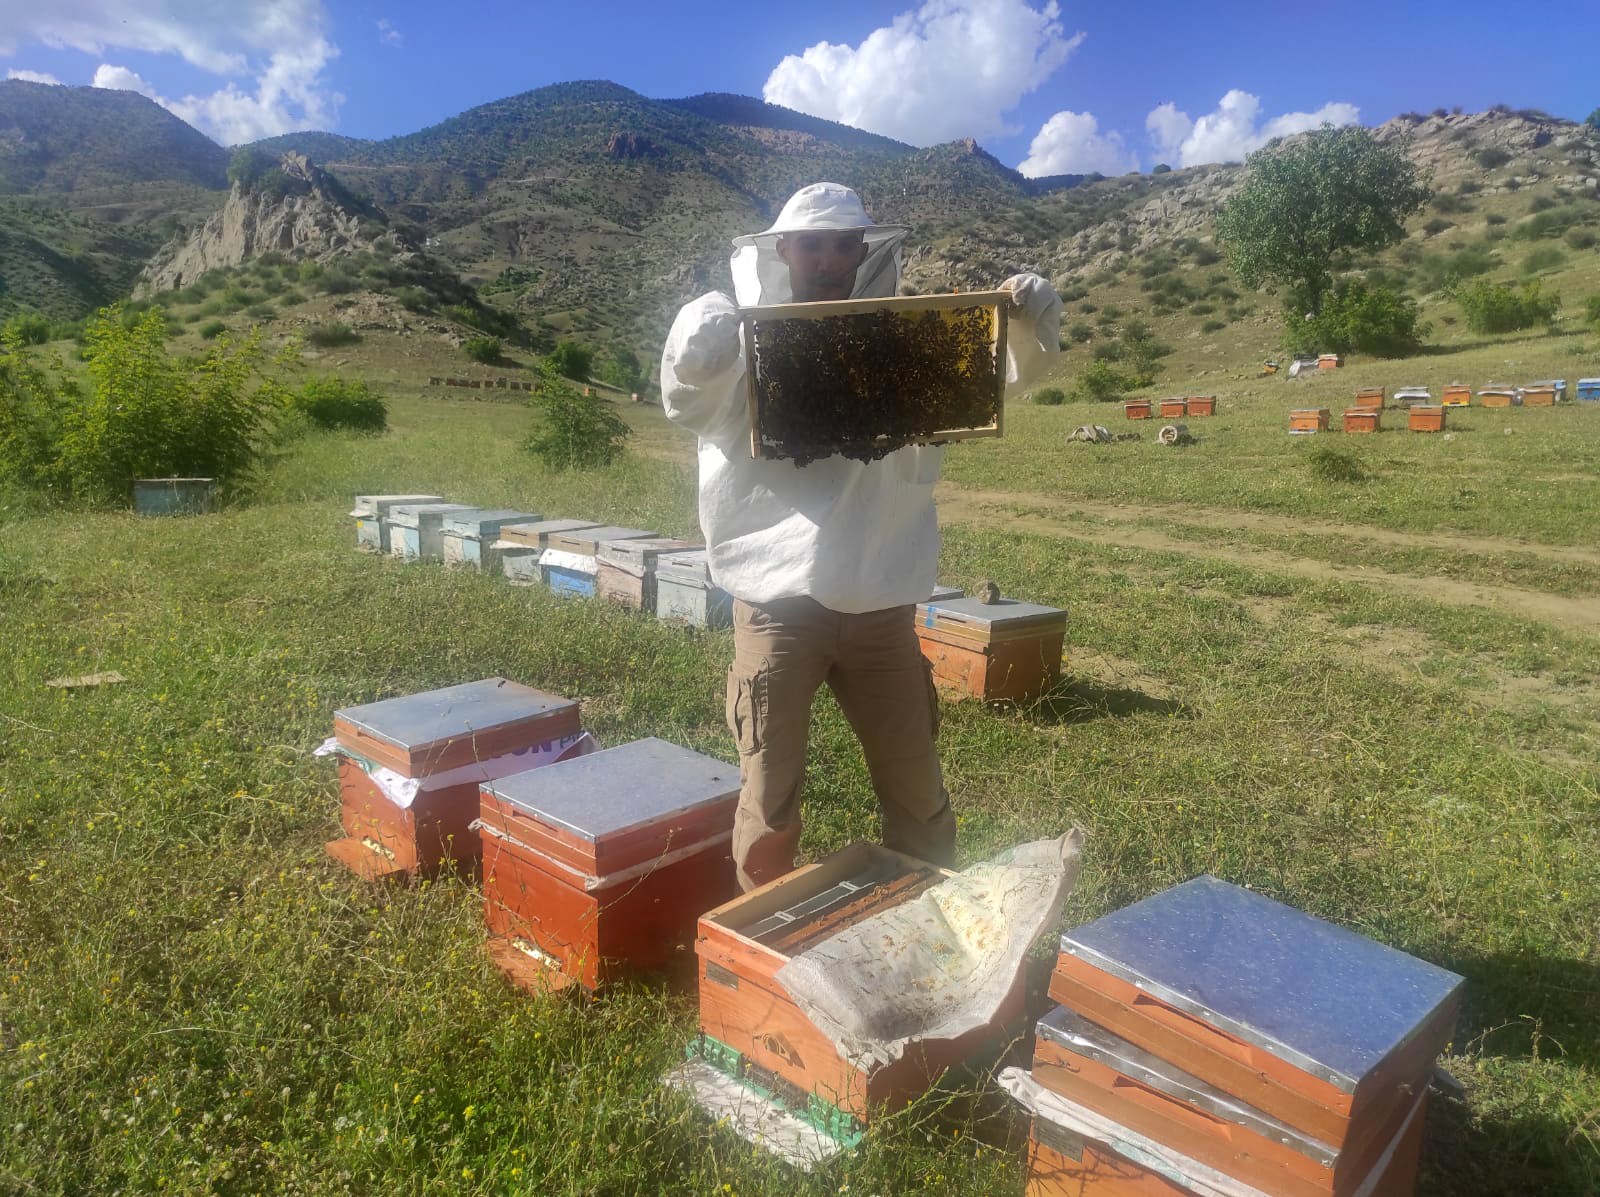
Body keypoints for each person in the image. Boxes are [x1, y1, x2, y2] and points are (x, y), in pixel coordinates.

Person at [660, 182, 1061, 891]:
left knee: (918, 790)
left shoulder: (911, 346)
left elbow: (1010, 371)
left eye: (845, 244)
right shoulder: (748, 344)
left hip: (880, 610)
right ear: (782, 251)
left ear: (864, 252)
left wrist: (1024, 318)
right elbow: (687, 393)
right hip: (779, 608)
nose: (828, 259)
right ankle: (763, 943)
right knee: (771, 792)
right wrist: (704, 341)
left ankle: (928, 925)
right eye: (812, 244)